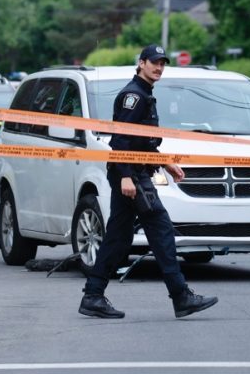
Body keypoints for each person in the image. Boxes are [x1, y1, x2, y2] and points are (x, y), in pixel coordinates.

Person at [78, 44, 218, 319]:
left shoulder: (144, 94)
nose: (159, 67)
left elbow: (141, 142)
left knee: (119, 239)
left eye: (162, 63)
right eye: (154, 62)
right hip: (132, 176)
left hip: (134, 172)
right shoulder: (134, 96)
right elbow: (120, 141)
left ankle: (93, 296)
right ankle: (181, 297)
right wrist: (128, 176)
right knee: (161, 230)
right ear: (141, 63)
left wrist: (166, 162)